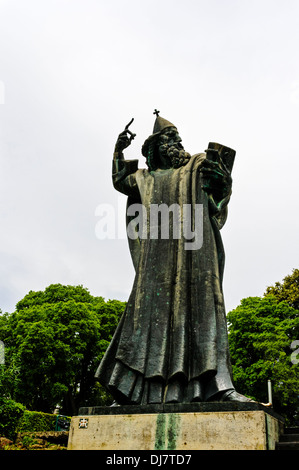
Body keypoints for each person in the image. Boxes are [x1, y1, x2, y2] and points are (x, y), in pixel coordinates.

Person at [95, 112, 252, 404]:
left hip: (196, 253)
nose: (176, 143)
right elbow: (120, 180)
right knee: (144, 319)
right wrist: (118, 150)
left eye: (177, 138)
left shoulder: (197, 163)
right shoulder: (145, 178)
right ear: (155, 147)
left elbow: (219, 190)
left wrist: (224, 184)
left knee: (203, 309)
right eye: (169, 139)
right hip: (156, 259)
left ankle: (215, 385)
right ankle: (134, 389)